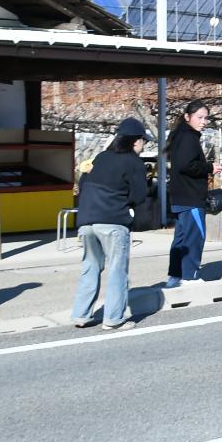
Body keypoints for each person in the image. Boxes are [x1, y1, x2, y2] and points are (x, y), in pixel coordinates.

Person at [72, 117, 150, 329]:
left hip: (86, 221)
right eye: (144, 141)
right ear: (136, 141)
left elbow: (84, 183)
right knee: (117, 269)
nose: (144, 146)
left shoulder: (101, 157)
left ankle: (81, 314)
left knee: (90, 266)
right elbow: (139, 196)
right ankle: (114, 319)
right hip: (113, 221)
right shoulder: (134, 162)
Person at [164, 103, 213, 288]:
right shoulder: (189, 137)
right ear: (187, 117)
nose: (203, 122)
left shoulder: (179, 136)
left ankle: (175, 275)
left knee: (181, 238)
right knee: (195, 236)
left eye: (206, 118)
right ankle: (190, 276)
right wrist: (210, 167)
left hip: (180, 196)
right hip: (191, 196)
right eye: (199, 117)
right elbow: (187, 165)